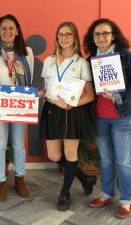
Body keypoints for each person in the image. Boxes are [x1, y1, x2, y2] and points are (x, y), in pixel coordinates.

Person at [84, 18, 131, 219]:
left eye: (105, 33)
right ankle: (107, 194)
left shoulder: (126, 57)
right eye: (97, 34)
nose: (101, 37)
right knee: (106, 158)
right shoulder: (90, 60)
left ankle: (126, 201)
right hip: (100, 118)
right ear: (92, 38)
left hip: (124, 117)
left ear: (113, 36)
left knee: (125, 160)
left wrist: (119, 96)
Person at [39, 21, 95, 211]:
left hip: (73, 112)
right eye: (61, 34)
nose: (64, 37)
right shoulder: (49, 61)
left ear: (74, 38)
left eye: (68, 34)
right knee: (54, 155)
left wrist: (72, 103)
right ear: (57, 37)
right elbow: (47, 90)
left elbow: (90, 95)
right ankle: (85, 178)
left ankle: (65, 194)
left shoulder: (81, 63)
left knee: (70, 154)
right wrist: (51, 99)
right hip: (53, 110)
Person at [0, 14, 34, 202]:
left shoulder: (27, 53)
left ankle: (19, 178)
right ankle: (1, 181)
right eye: (3, 28)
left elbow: (28, 82)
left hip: (20, 106)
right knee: (0, 144)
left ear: (17, 31)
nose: (7, 31)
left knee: (19, 144)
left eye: (11, 28)